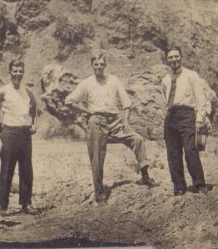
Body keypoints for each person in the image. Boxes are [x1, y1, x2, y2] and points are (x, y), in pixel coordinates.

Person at [64, 52, 156, 204]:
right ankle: (100, 195)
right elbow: (69, 101)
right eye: (96, 64)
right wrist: (88, 112)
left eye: (101, 64)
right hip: (96, 122)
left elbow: (126, 103)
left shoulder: (113, 80)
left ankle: (145, 176)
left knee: (137, 140)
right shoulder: (86, 83)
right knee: (97, 158)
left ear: (105, 65)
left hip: (115, 121)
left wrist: (126, 121)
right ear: (92, 65)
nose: (99, 67)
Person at [0, 60, 39, 217]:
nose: (18, 74)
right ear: (10, 72)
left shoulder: (27, 91)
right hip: (9, 132)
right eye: (15, 71)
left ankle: (26, 203)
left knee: (26, 170)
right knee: (7, 169)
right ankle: (3, 206)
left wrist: (34, 123)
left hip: (25, 134)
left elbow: (35, 106)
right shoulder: (3, 90)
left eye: (20, 71)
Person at [161, 46, 210, 196]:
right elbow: (165, 100)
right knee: (173, 153)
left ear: (181, 58)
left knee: (190, 150)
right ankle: (179, 187)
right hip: (171, 116)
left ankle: (199, 184)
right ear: (167, 60)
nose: (174, 60)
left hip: (187, 114)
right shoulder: (165, 80)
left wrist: (200, 119)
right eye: (170, 58)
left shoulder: (191, 75)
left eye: (176, 56)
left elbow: (200, 98)